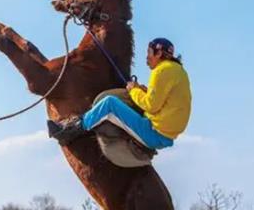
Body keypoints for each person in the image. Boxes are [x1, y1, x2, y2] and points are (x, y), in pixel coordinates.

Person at [48, 37, 191, 149]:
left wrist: (133, 90)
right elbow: (165, 100)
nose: (147, 57)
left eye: (149, 52)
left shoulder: (160, 70)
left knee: (110, 103)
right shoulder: (179, 71)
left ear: (159, 53)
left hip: (154, 133)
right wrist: (143, 91)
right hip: (165, 134)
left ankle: (69, 131)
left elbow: (151, 105)